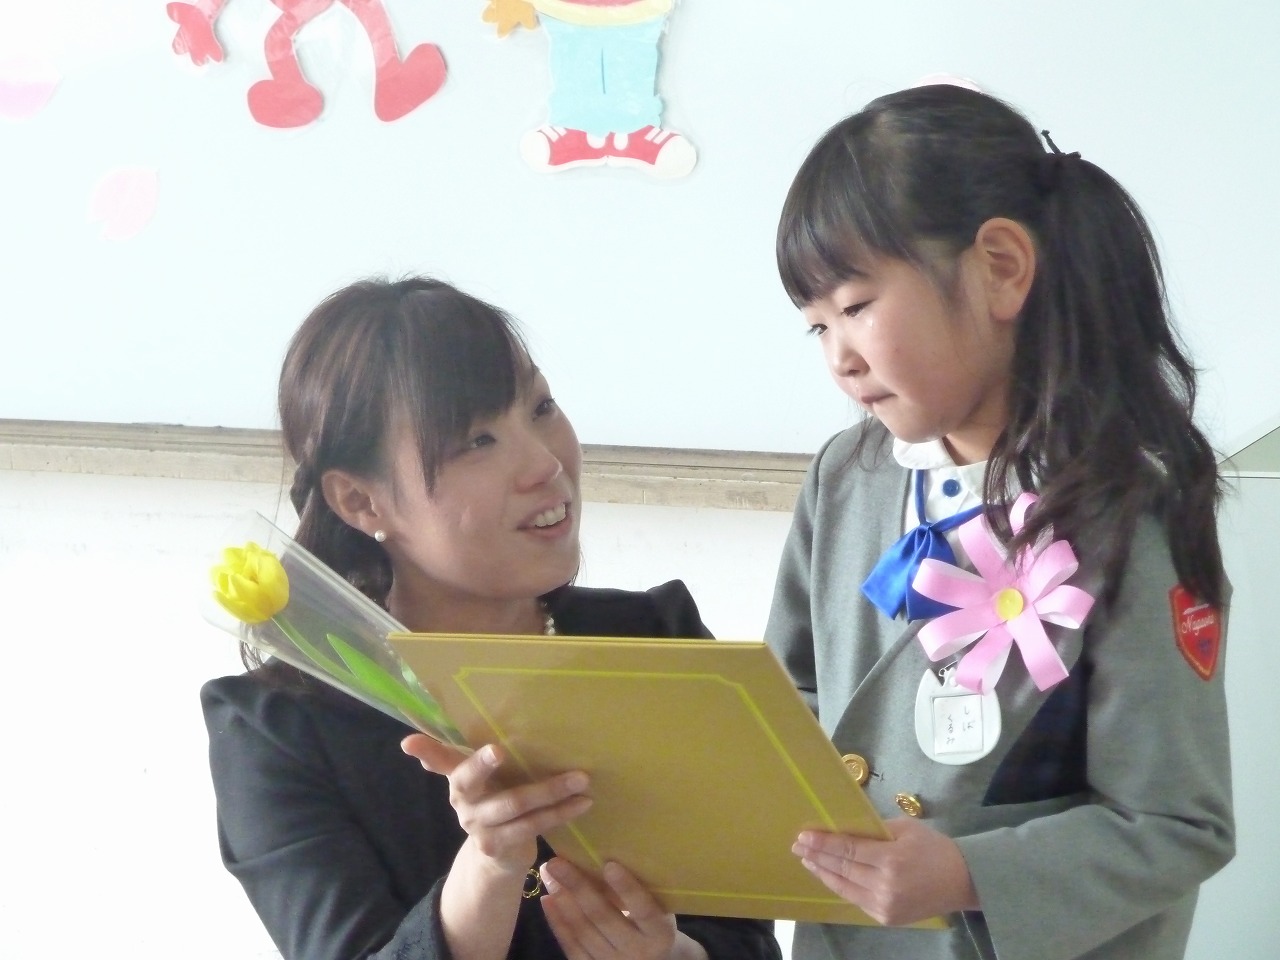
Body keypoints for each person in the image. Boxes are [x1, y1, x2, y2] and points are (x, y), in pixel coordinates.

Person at [764, 84, 1234, 960]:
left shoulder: (1129, 506)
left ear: (1003, 268)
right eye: (815, 326)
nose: (840, 358)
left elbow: (1176, 822)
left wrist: (968, 875)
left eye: (857, 306)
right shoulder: (846, 476)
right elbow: (788, 699)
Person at [201, 277, 781, 960]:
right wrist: (490, 865)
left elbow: (747, 933)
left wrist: (672, 956)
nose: (545, 463)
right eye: (477, 440)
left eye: (541, 407)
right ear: (361, 502)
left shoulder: (655, 640)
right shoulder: (278, 727)